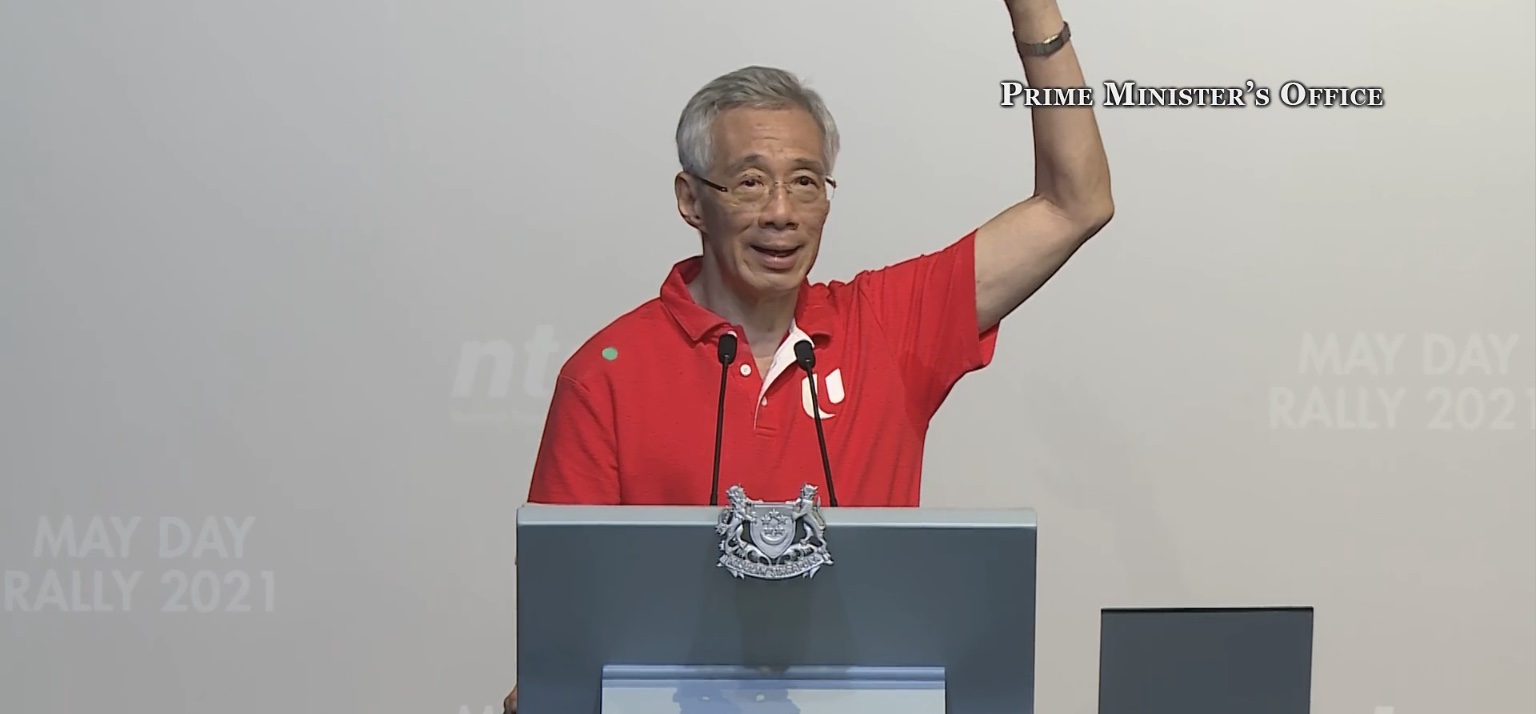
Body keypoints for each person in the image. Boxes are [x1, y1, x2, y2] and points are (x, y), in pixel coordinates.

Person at [506, 0, 1110, 708]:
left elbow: (1075, 204)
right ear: (691, 201)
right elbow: (568, 617)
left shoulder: (886, 327)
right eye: (750, 182)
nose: (782, 213)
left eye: (805, 182)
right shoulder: (605, 375)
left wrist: (1033, 10)